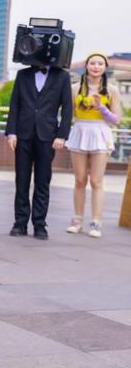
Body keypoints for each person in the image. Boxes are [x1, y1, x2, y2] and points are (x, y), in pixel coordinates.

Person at [6, 62, 72, 240]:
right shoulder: (23, 75)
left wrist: (62, 135)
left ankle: (39, 224)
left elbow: (67, 108)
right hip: (23, 134)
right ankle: (20, 223)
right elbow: (15, 104)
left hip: (47, 135)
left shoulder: (62, 76)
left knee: (42, 181)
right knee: (21, 181)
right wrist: (11, 133)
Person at [65, 52, 122, 238]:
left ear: (105, 68)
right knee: (80, 180)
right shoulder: (74, 88)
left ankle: (96, 222)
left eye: (100, 64)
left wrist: (102, 109)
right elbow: (68, 114)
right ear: (87, 66)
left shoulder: (112, 90)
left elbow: (116, 120)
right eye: (92, 63)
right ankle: (77, 220)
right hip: (80, 130)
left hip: (100, 133)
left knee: (96, 181)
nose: (96, 66)